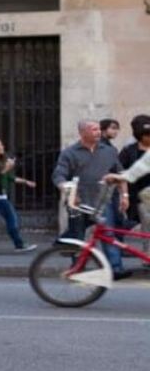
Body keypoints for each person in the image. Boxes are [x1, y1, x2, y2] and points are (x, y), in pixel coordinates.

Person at [52, 119, 131, 280]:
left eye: (98, 129)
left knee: (108, 233)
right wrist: (65, 187)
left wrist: (124, 195)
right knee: (78, 236)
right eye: (93, 129)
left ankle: (115, 268)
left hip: (103, 200)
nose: (98, 132)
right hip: (79, 202)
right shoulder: (70, 153)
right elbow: (59, 174)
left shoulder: (109, 151)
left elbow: (120, 174)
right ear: (82, 133)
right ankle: (77, 268)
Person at [0, 138, 38, 252]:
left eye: (1, 144)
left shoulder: (2, 161)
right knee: (12, 219)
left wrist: (26, 181)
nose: (0, 147)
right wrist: (8, 167)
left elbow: (11, 177)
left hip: (2, 195)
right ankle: (19, 244)